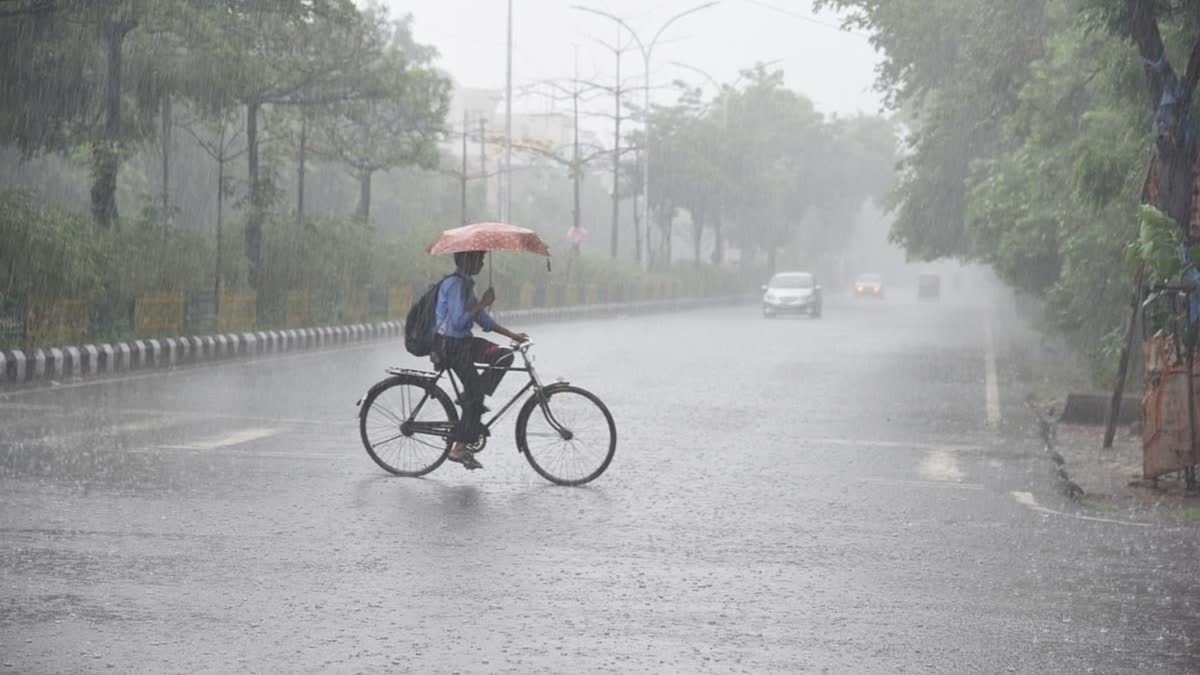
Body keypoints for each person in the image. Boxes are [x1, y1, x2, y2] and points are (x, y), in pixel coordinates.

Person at [434, 250, 528, 470]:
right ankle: (458, 447)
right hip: (451, 345)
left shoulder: (466, 284)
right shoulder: (455, 285)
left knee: (503, 355)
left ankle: (471, 398)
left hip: (464, 342)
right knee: (476, 394)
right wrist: (483, 302)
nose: (483, 263)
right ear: (467, 260)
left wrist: (512, 335)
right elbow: (458, 322)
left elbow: (483, 320)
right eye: (479, 259)